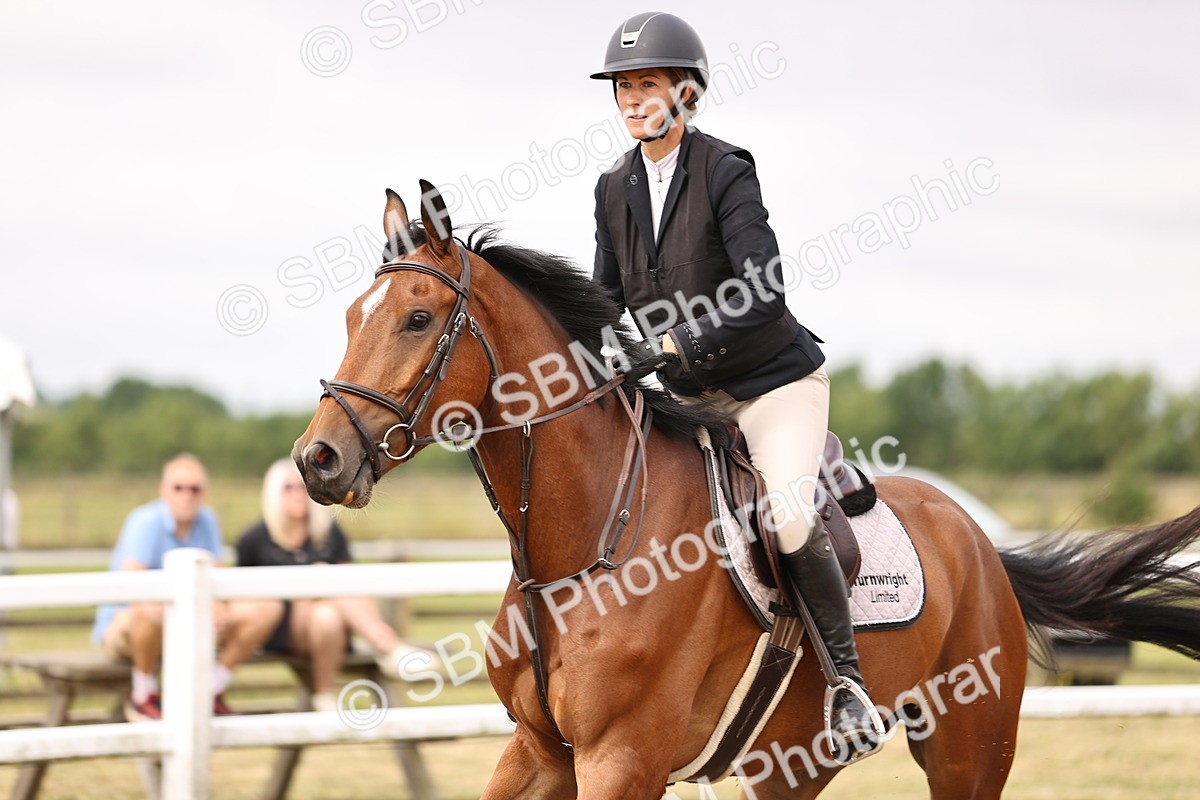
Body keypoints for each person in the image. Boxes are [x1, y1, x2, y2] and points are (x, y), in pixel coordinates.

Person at [589, 12, 880, 755]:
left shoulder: (725, 170)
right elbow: (605, 300)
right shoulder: (613, 187)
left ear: (686, 94)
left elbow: (762, 290)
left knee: (785, 515)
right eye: (622, 87)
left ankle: (847, 687)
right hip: (686, 395)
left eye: (645, 84)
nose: (630, 100)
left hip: (770, 387)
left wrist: (672, 340)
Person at [92, 453, 281, 721]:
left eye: (194, 488)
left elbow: (216, 572)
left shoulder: (207, 520)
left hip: (189, 623)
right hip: (129, 626)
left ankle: (211, 688)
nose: (186, 495)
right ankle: (143, 693)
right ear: (164, 490)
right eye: (178, 488)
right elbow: (134, 583)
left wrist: (217, 606)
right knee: (151, 609)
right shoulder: (145, 521)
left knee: (267, 608)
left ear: (204, 492)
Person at [236, 459, 432, 712]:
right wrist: (310, 583)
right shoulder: (255, 539)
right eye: (289, 487)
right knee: (326, 577)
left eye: (303, 486)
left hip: (329, 628)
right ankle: (388, 646)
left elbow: (351, 580)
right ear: (274, 493)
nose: (298, 493)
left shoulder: (328, 532)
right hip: (280, 628)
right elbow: (243, 598)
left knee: (326, 614)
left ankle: (323, 694)